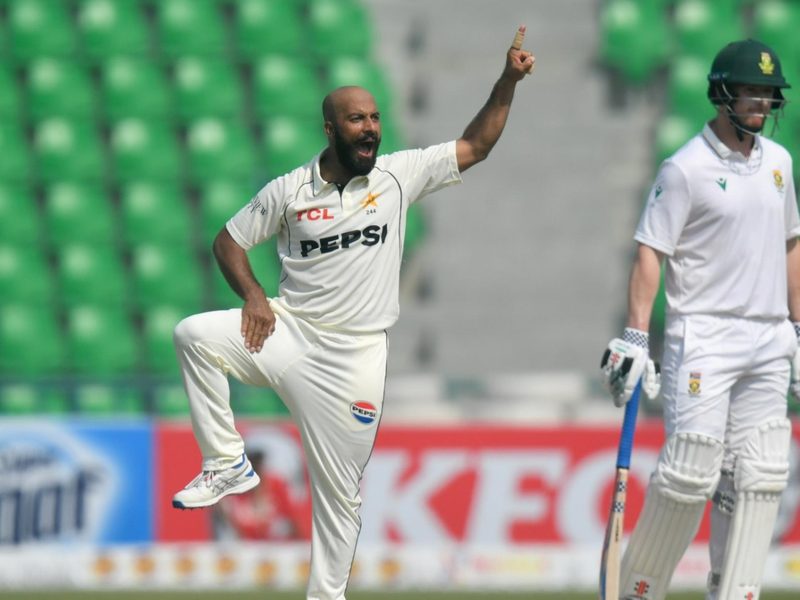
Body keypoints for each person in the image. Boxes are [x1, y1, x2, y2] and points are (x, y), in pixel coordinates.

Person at [171, 25, 535, 600]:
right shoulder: (289, 191)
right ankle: (227, 462)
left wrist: (507, 80)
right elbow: (228, 242)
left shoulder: (396, 176)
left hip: (357, 357)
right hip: (290, 333)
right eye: (357, 119)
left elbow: (477, 146)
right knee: (193, 333)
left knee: (339, 496)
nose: (370, 128)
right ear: (330, 128)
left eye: (374, 118)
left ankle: (327, 596)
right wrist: (254, 295)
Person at [600, 39, 800, 600]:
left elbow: (791, 243)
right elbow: (649, 251)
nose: (761, 101)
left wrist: (799, 327)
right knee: (690, 473)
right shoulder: (685, 167)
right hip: (705, 333)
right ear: (721, 93)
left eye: (768, 92)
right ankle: (637, 590)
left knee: (760, 477)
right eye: (751, 90)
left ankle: (734, 592)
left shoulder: (780, 163)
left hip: (768, 335)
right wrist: (637, 336)